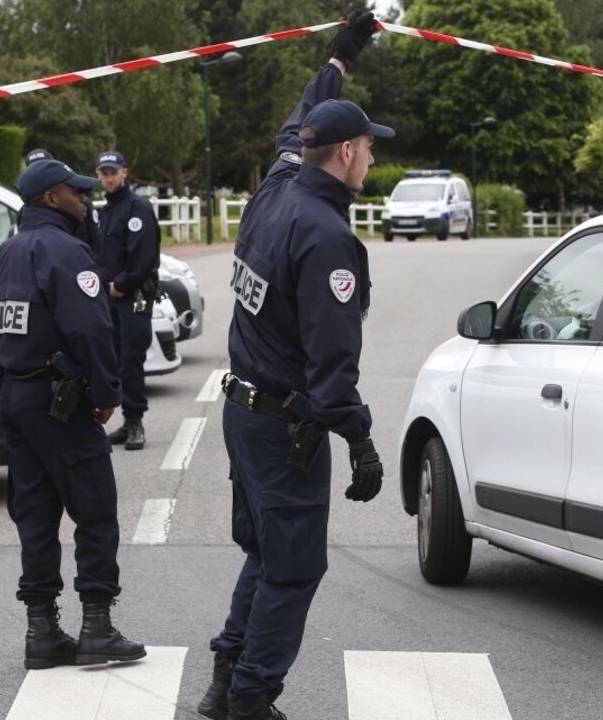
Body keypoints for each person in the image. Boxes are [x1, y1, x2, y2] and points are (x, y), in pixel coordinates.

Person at [197, 10, 388, 720]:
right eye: (369, 148)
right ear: (343, 155)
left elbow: (297, 118)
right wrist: (360, 438)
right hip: (286, 429)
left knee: (267, 555)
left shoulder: (277, 186)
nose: (371, 160)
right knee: (296, 566)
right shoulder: (327, 237)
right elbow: (333, 361)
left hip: (244, 417)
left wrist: (340, 58)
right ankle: (250, 698)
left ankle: (226, 681)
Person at [0, 158, 146, 671]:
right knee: (94, 512)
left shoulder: (5, 253)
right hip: (61, 403)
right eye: (75, 192)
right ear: (51, 198)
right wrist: (105, 393)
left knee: (35, 515)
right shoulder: (66, 251)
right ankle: (96, 627)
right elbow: (91, 330)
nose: (85, 198)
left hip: (15, 400)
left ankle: (42, 631)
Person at [95, 149, 160, 451]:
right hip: (109, 298)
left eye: (113, 172)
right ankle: (125, 417)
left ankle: (136, 421)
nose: (108, 177)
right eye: (103, 173)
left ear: (125, 173)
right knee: (116, 360)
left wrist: (122, 283)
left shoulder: (138, 208)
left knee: (132, 359)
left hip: (132, 296)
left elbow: (143, 255)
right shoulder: (106, 212)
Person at [18, 148, 100, 254]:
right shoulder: (23, 215)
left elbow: (95, 241)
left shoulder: (82, 205)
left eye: (46, 166)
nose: (82, 197)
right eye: (35, 168)